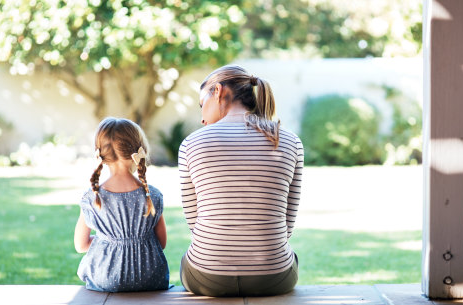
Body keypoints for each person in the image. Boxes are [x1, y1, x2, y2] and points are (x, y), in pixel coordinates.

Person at [178, 65, 304, 297]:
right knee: (291, 257)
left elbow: (194, 223)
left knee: (190, 259)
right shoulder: (289, 141)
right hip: (273, 277)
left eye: (201, 104)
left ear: (218, 91)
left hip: (207, 277)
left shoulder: (191, 144)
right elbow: (287, 224)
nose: (202, 117)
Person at [74, 117, 169, 292]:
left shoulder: (92, 197)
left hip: (106, 279)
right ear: (139, 150)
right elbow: (161, 242)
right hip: (151, 278)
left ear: (100, 154)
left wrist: (107, 241)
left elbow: (81, 245)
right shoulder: (152, 195)